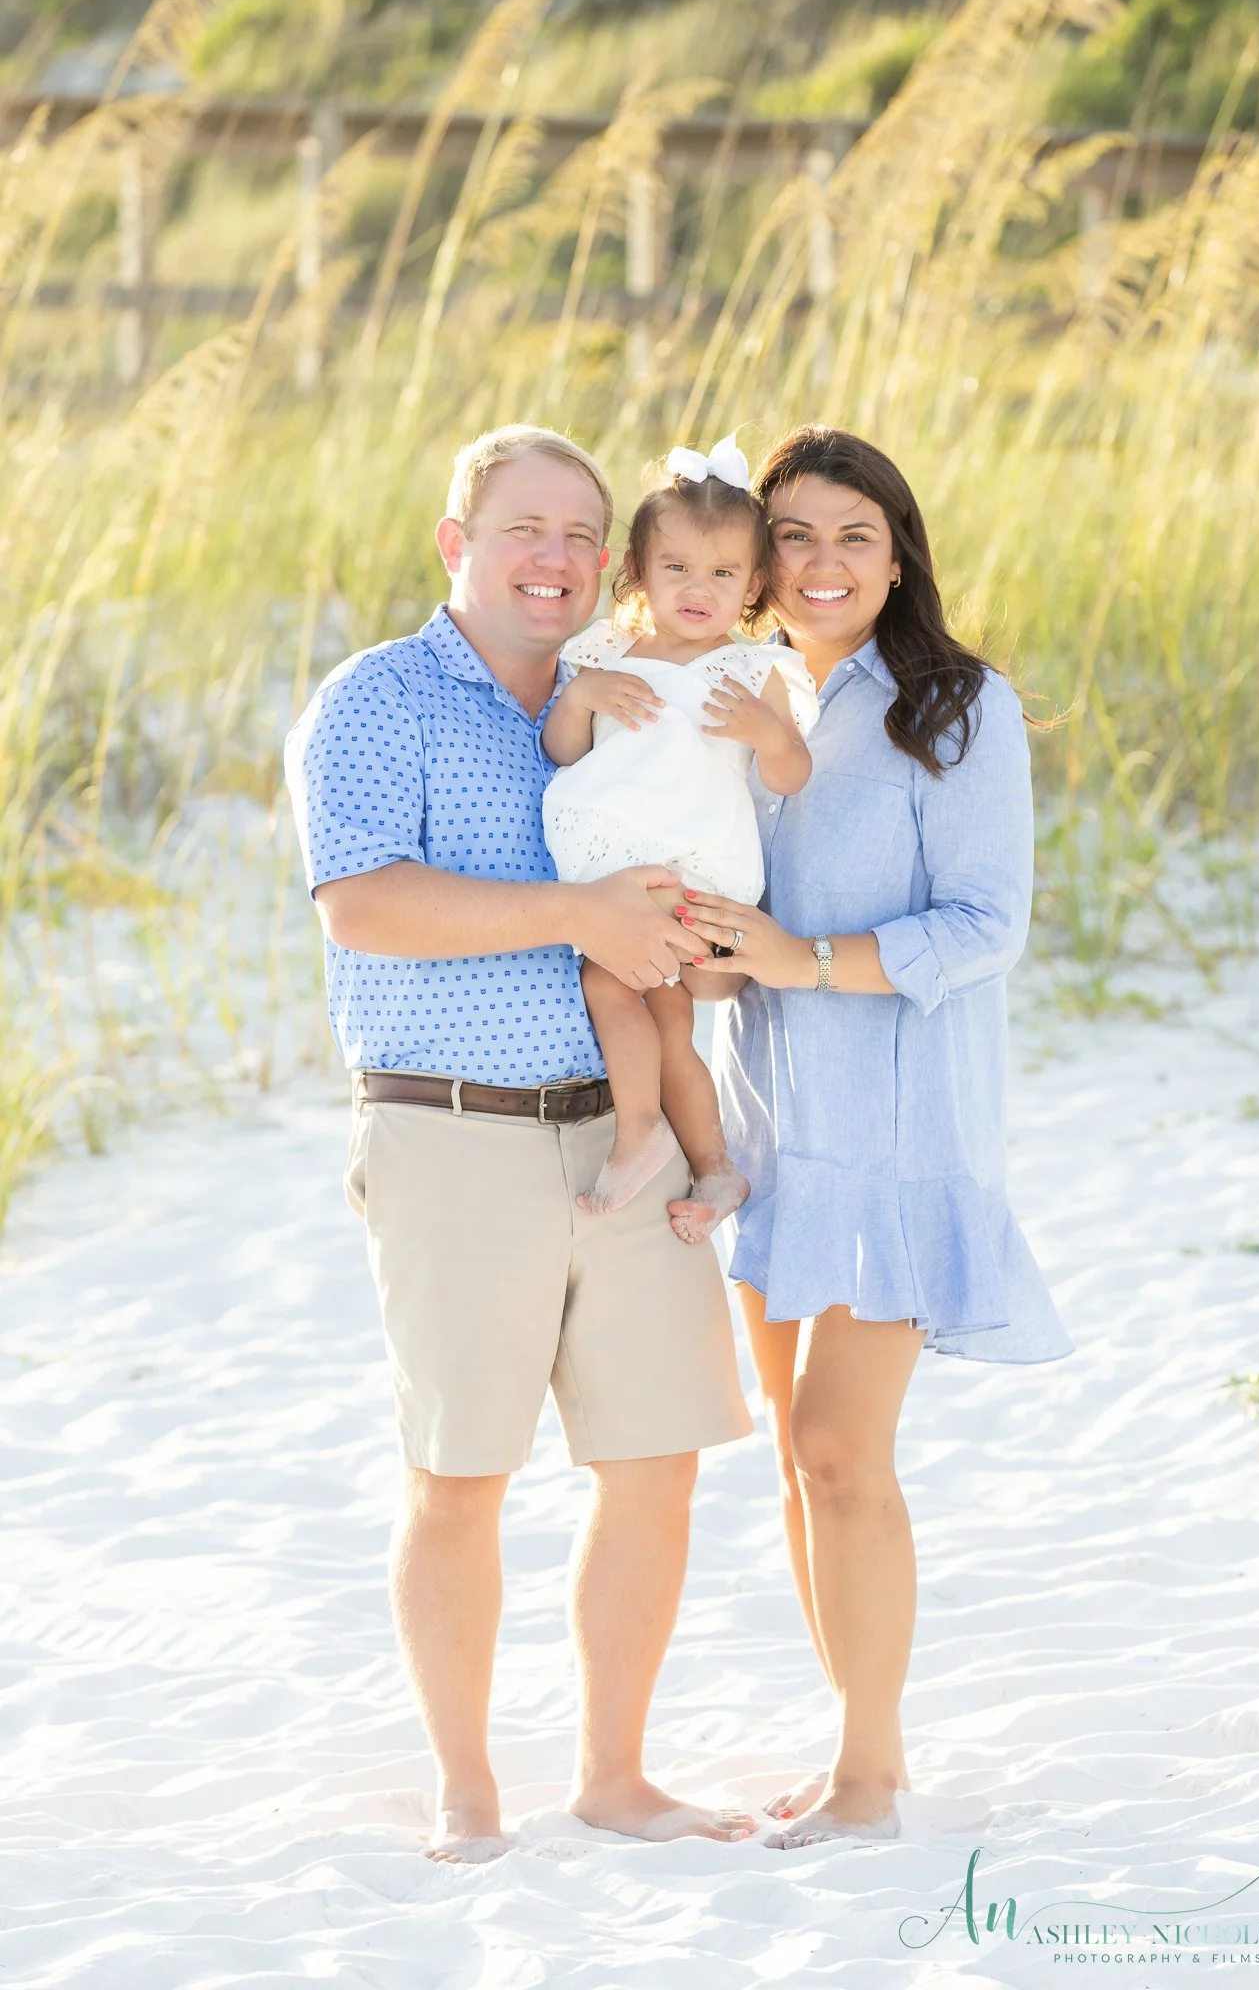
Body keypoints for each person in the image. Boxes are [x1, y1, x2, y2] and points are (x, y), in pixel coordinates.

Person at [284, 424, 756, 1864]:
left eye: (577, 536)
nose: (552, 561)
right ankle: (466, 1787)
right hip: (454, 1135)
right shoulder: (375, 702)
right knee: (460, 1473)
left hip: (628, 1140)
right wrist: (580, 917)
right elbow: (361, 905)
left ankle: (613, 1775)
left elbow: (692, 875)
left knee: (658, 1458)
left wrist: (705, 946)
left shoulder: (634, 699)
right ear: (457, 545)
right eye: (521, 531)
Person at [683, 424, 1075, 1849]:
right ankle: (861, 1750)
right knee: (796, 1457)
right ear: (756, 561)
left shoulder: (956, 707)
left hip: (902, 1139)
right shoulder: (743, 696)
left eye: (853, 533)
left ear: (895, 550)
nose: (823, 561)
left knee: (845, 1451)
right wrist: (715, 956)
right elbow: (734, 909)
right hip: (775, 1134)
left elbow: (985, 928)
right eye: (794, 535)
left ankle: (867, 1775)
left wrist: (801, 959)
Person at [541, 434, 810, 1239]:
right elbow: (563, 750)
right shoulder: (606, 652)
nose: (700, 589)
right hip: (623, 871)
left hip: (695, 871)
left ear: (754, 585)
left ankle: (637, 1133)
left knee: (609, 985)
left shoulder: (752, 669)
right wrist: (582, 694)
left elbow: (790, 775)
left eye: (724, 574)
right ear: (638, 573)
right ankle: (716, 1165)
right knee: (661, 1021)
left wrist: (769, 733)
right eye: (678, 569)